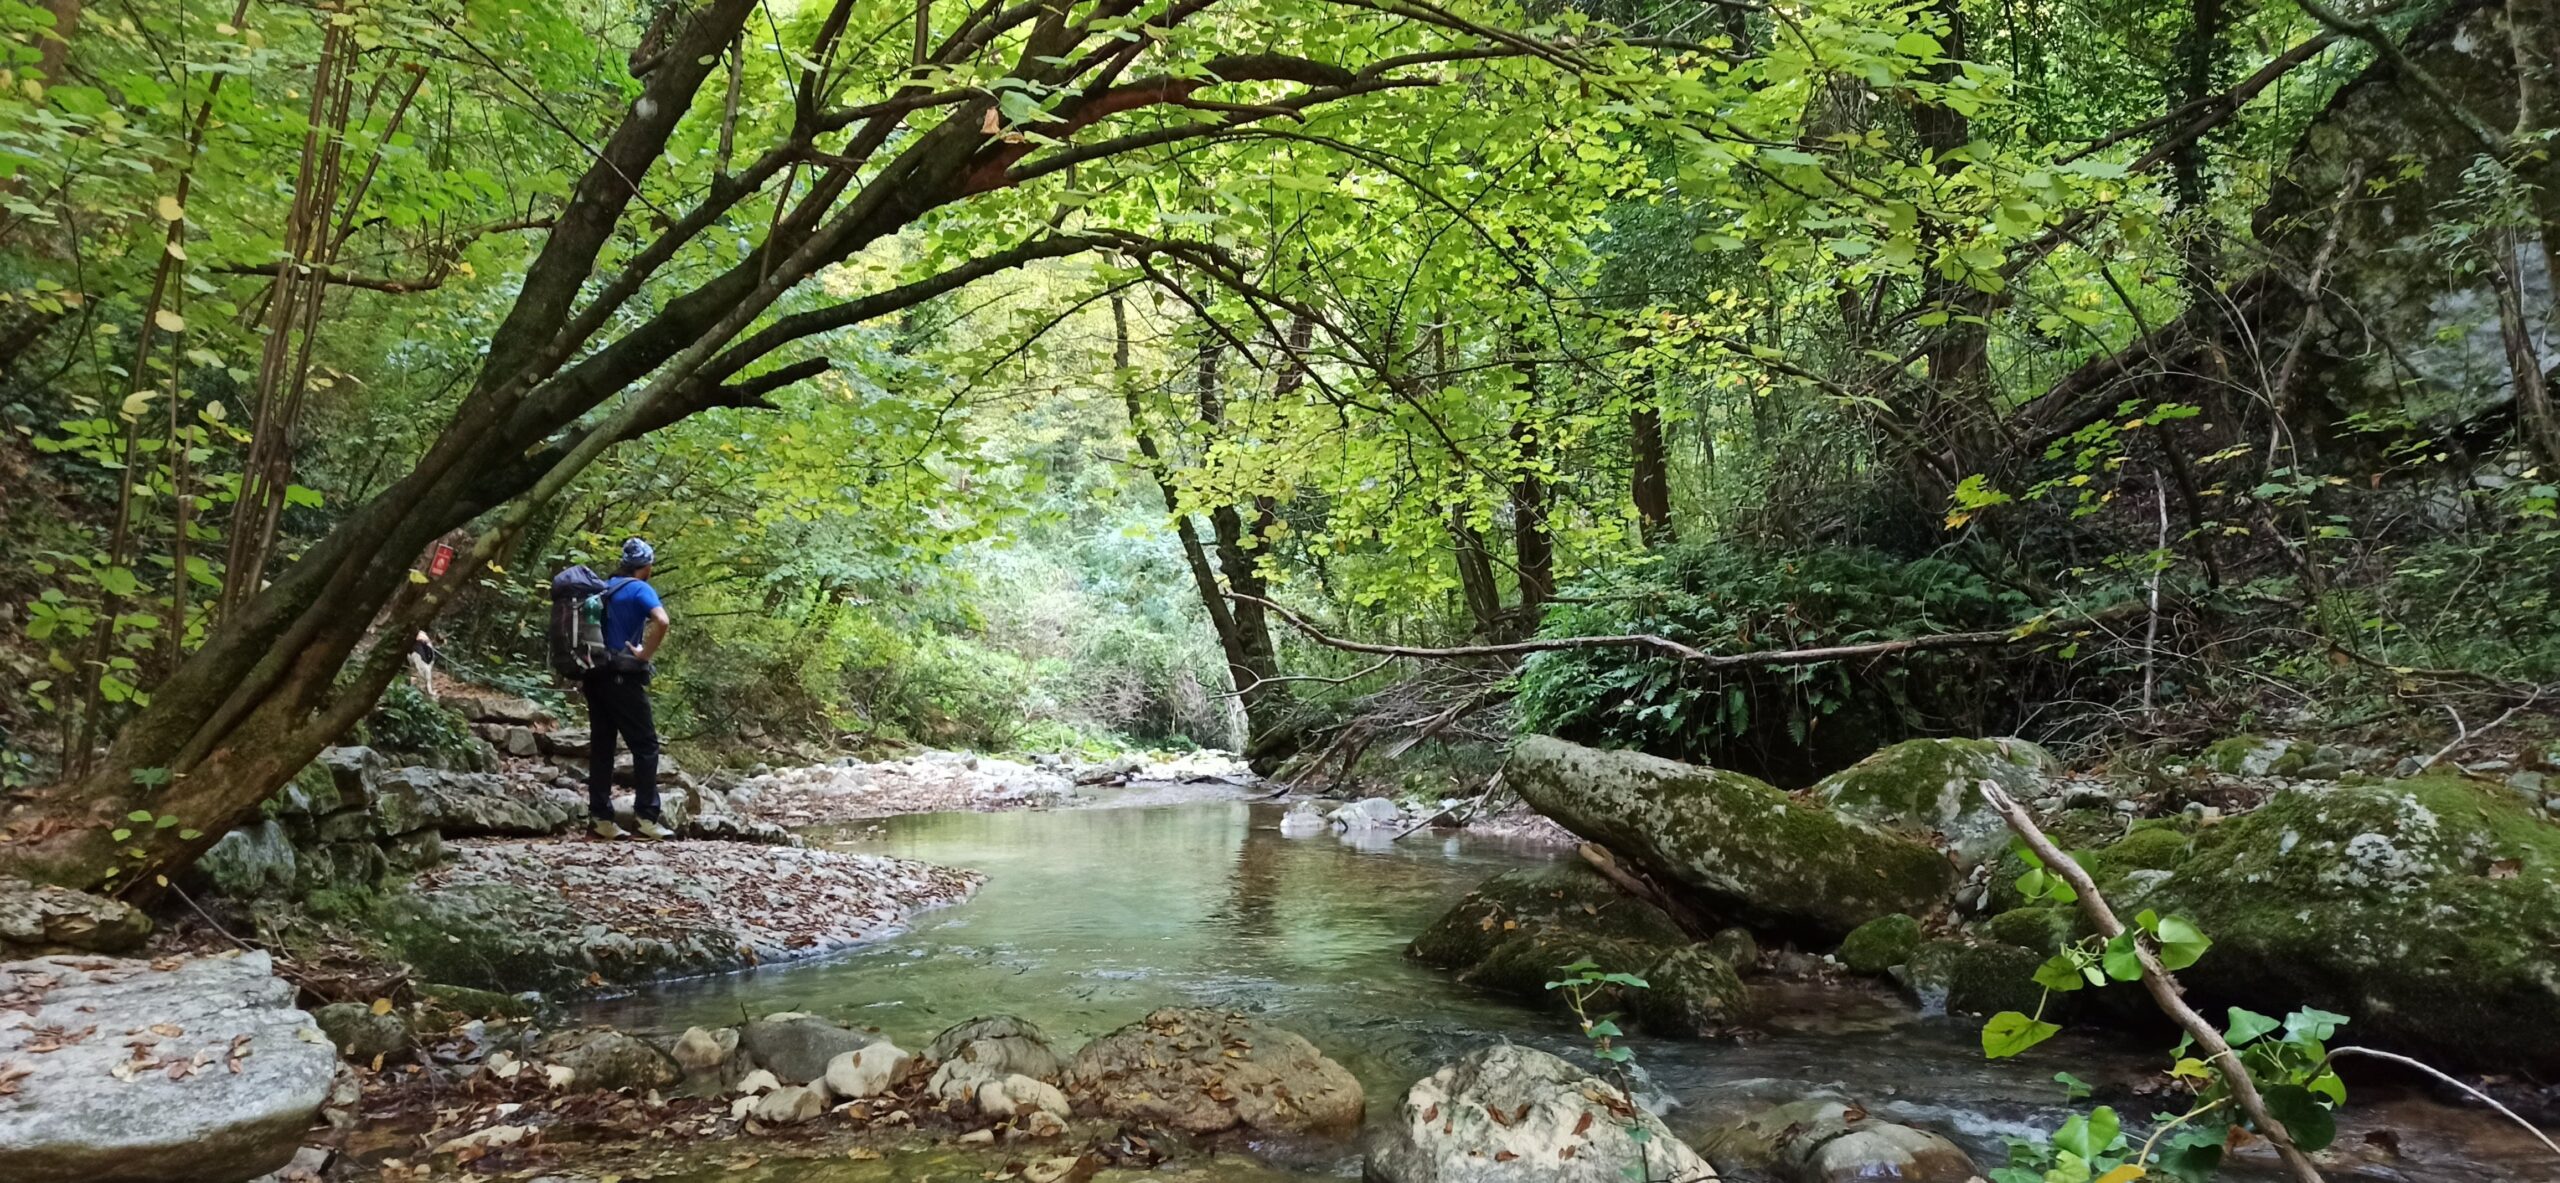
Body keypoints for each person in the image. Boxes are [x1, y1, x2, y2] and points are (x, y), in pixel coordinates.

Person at [586, 537, 672, 840]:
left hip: (594, 674)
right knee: (646, 745)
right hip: (622, 676)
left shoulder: (604, 587)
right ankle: (646, 817)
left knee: (602, 747)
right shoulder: (639, 588)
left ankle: (600, 818)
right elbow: (662, 621)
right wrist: (644, 655)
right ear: (646, 566)